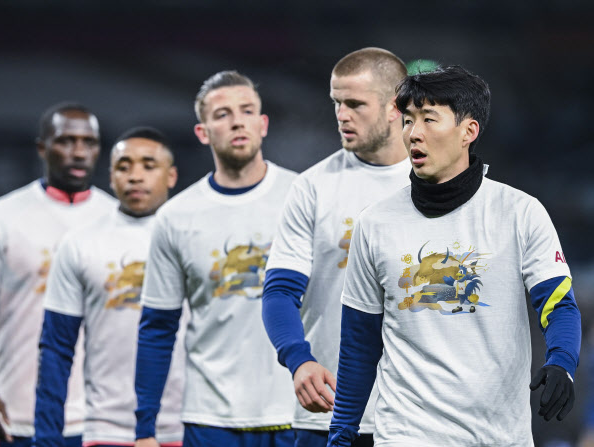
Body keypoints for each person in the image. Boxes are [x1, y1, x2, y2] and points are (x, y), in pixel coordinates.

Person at [327, 65, 581, 446]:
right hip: (406, 435)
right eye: (408, 120)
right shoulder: (374, 224)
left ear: (468, 131)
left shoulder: (520, 213)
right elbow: (359, 345)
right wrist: (341, 433)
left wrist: (562, 362)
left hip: (499, 437)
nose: (414, 133)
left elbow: (559, 305)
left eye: (429, 119)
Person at [134, 70, 297, 447]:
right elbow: (158, 326)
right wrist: (144, 427)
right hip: (209, 418)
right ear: (203, 132)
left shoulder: (303, 196)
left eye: (247, 111)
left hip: (297, 410)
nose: (237, 121)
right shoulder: (176, 217)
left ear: (263, 124)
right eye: (223, 114)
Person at [261, 47, 411, 447]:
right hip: (330, 410)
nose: (342, 115)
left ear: (395, 106)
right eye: (336, 103)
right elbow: (279, 291)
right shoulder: (312, 187)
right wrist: (298, 359)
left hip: (420, 417)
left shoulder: (436, 186)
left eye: (355, 104)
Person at [0, 102, 116, 447]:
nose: (79, 152)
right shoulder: (0, 218)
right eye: (66, 141)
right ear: (42, 147)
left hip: (103, 423)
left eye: (89, 142)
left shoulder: (120, 221)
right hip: (18, 419)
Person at [32, 127, 185, 447]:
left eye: (148, 165)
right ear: (111, 177)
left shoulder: (193, 239)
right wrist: (46, 437)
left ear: (171, 176)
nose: (135, 176)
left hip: (190, 423)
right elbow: (56, 348)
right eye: (123, 167)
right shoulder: (80, 244)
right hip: (107, 428)